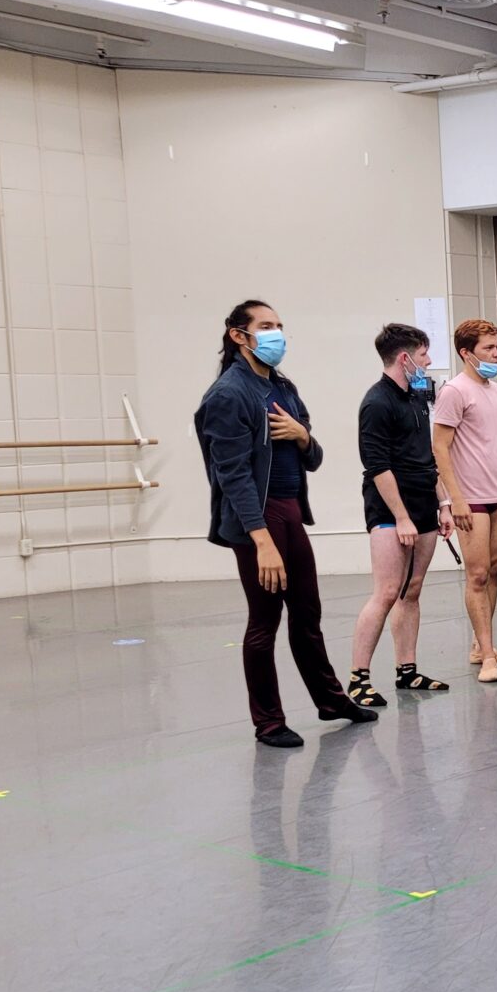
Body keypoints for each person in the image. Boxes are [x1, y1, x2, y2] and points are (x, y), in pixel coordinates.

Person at [194, 299, 377, 749]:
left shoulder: (281, 386)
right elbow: (231, 474)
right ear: (239, 335)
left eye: (279, 325)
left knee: (307, 614)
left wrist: (302, 436)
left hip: (291, 510)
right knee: (264, 621)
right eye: (266, 326)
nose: (276, 334)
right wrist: (262, 542)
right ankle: (269, 721)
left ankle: (331, 701)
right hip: (259, 519)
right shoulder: (227, 395)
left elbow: (311, 456)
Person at [347, 322, 452, 706]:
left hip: (424, 501)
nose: (428, 362)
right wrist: (402, 517)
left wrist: (442, 503)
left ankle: (407, 670)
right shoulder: (376, 403)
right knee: (387, 591)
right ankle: (359, 678)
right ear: (405, 357)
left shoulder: (414, 397)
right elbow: (377, 466)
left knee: (413, 589)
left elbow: (426, 458)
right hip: (391, 509)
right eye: (424, 355)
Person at [431, 318, 497, 684]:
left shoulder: (496, 390)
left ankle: (481, 644)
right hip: (469, 498)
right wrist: (454, 499)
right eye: (488, 349)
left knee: (492, 568)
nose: (496, 354)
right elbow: (439, 446)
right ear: (466, 353)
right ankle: (486, 655)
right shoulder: (454, 392)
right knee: (475, 575)